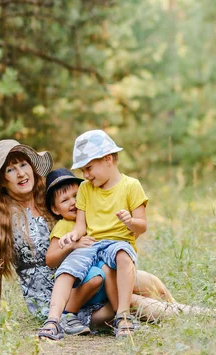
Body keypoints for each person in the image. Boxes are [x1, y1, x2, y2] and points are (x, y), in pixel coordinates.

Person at [0, 140, 113, 334]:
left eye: (24, 165)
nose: (21, 173)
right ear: (1, 180)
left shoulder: (51, 198)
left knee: (127, 280)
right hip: (48, 301)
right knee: (130, 302)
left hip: (82, 277)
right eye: (10, 169)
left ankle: (171, 306)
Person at [50, 130, 147, 338]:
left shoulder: (131, 186)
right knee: (69, 265)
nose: (85, 175)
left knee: (123, 254)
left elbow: (142, 226)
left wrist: (130, 222)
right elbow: (80, 226)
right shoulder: (85, 189)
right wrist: (72, 237)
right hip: (93, 244)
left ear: (108, 159)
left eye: (88, 168)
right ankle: (55, 319)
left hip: (118, 243)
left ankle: (123, 315)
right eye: (83, 170)